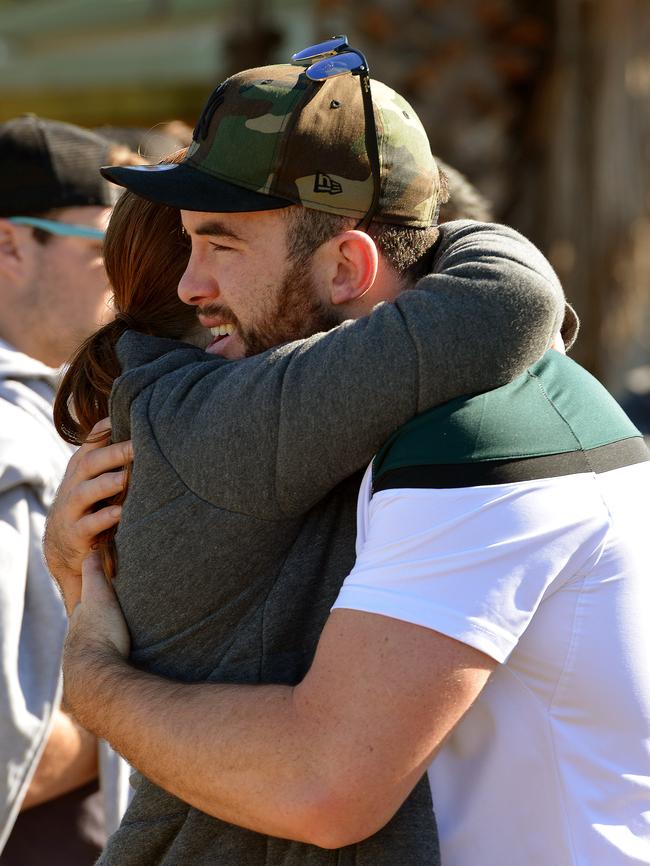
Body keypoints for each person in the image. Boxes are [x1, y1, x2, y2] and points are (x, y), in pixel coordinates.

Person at [46, 49, 575, 864]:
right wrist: (415, 240)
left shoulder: (178, 414)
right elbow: (513, 302)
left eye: (220, 246)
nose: (197, 283)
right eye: (197, 246)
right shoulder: (220, 419)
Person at [0, 116, 133, 864]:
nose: (127, 276)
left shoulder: (46, 411)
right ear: (12, 245)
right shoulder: (7, 437)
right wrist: (141, 721)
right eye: (104, 248)